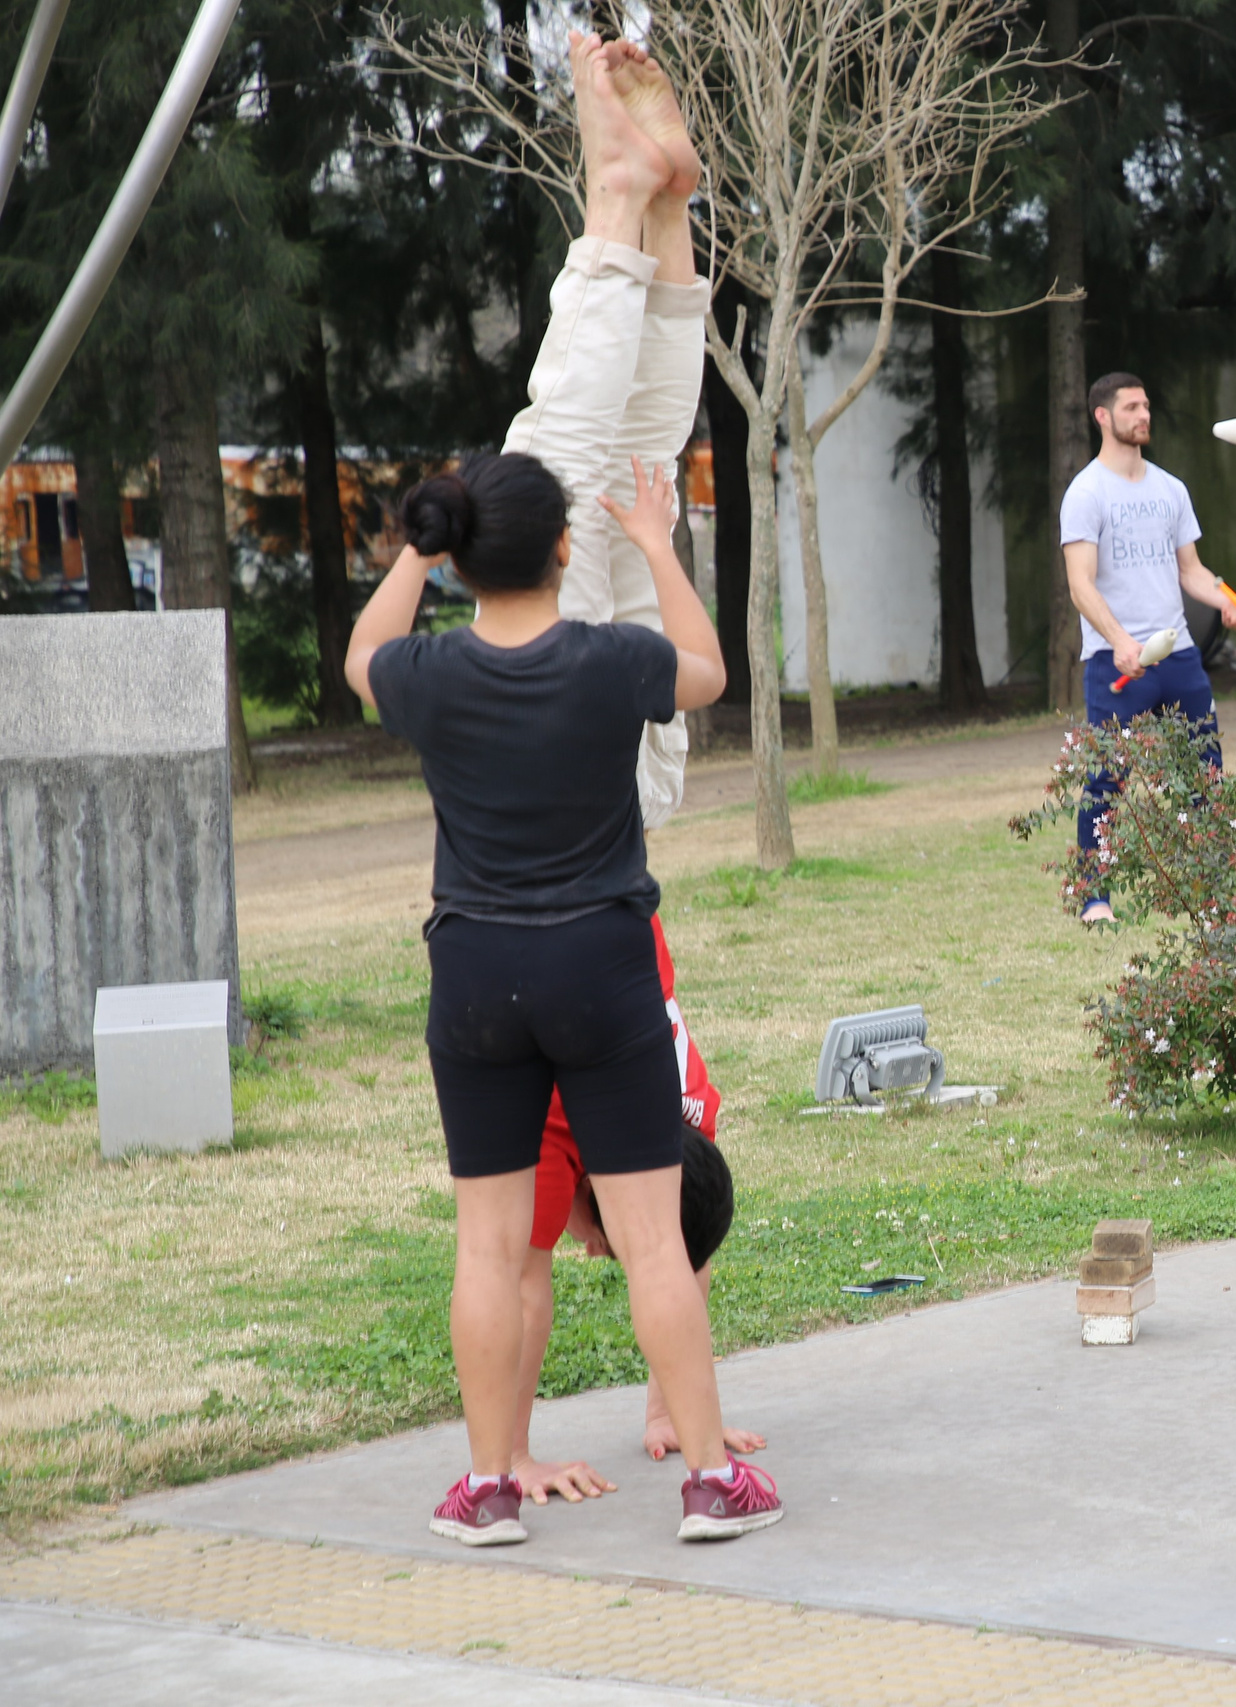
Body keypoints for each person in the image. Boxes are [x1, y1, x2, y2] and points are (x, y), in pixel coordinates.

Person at [343, 32, 781, 1548]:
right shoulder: (601, 659)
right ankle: (634, 219)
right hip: (601, 925)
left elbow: (365, 656)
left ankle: (649, 224)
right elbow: (705, 670)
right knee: (594, 442)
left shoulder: (436, 677)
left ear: (462, 559)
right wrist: (657, 551)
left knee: (603, 439)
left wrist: (421, 536)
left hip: (481, 966)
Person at [507, 917, 768, 1508]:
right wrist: (517, 1459)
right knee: (519, 1266)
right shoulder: (544, 1125)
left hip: (622, 939)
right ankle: (500, 1462)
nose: (596, 1251)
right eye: (607, 1242)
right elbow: (521, 1290)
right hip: (535, 958)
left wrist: (675, 1413)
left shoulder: (692, 1113)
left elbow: (684, 1256)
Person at [1061, 371, 1236, 924]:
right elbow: (1081, 583)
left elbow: (1190, 571)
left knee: (1206, 773)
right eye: (1131, 408)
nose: (1143, 415)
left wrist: (1224, 598)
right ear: (1103, 416)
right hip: (1114, 661)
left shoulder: (1170, 489)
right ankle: (1094, 897)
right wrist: (1120, 640)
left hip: (1179, 654)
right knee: (1106, 777)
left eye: (1146, 406)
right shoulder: (1086, 493)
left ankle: (1217, 890)